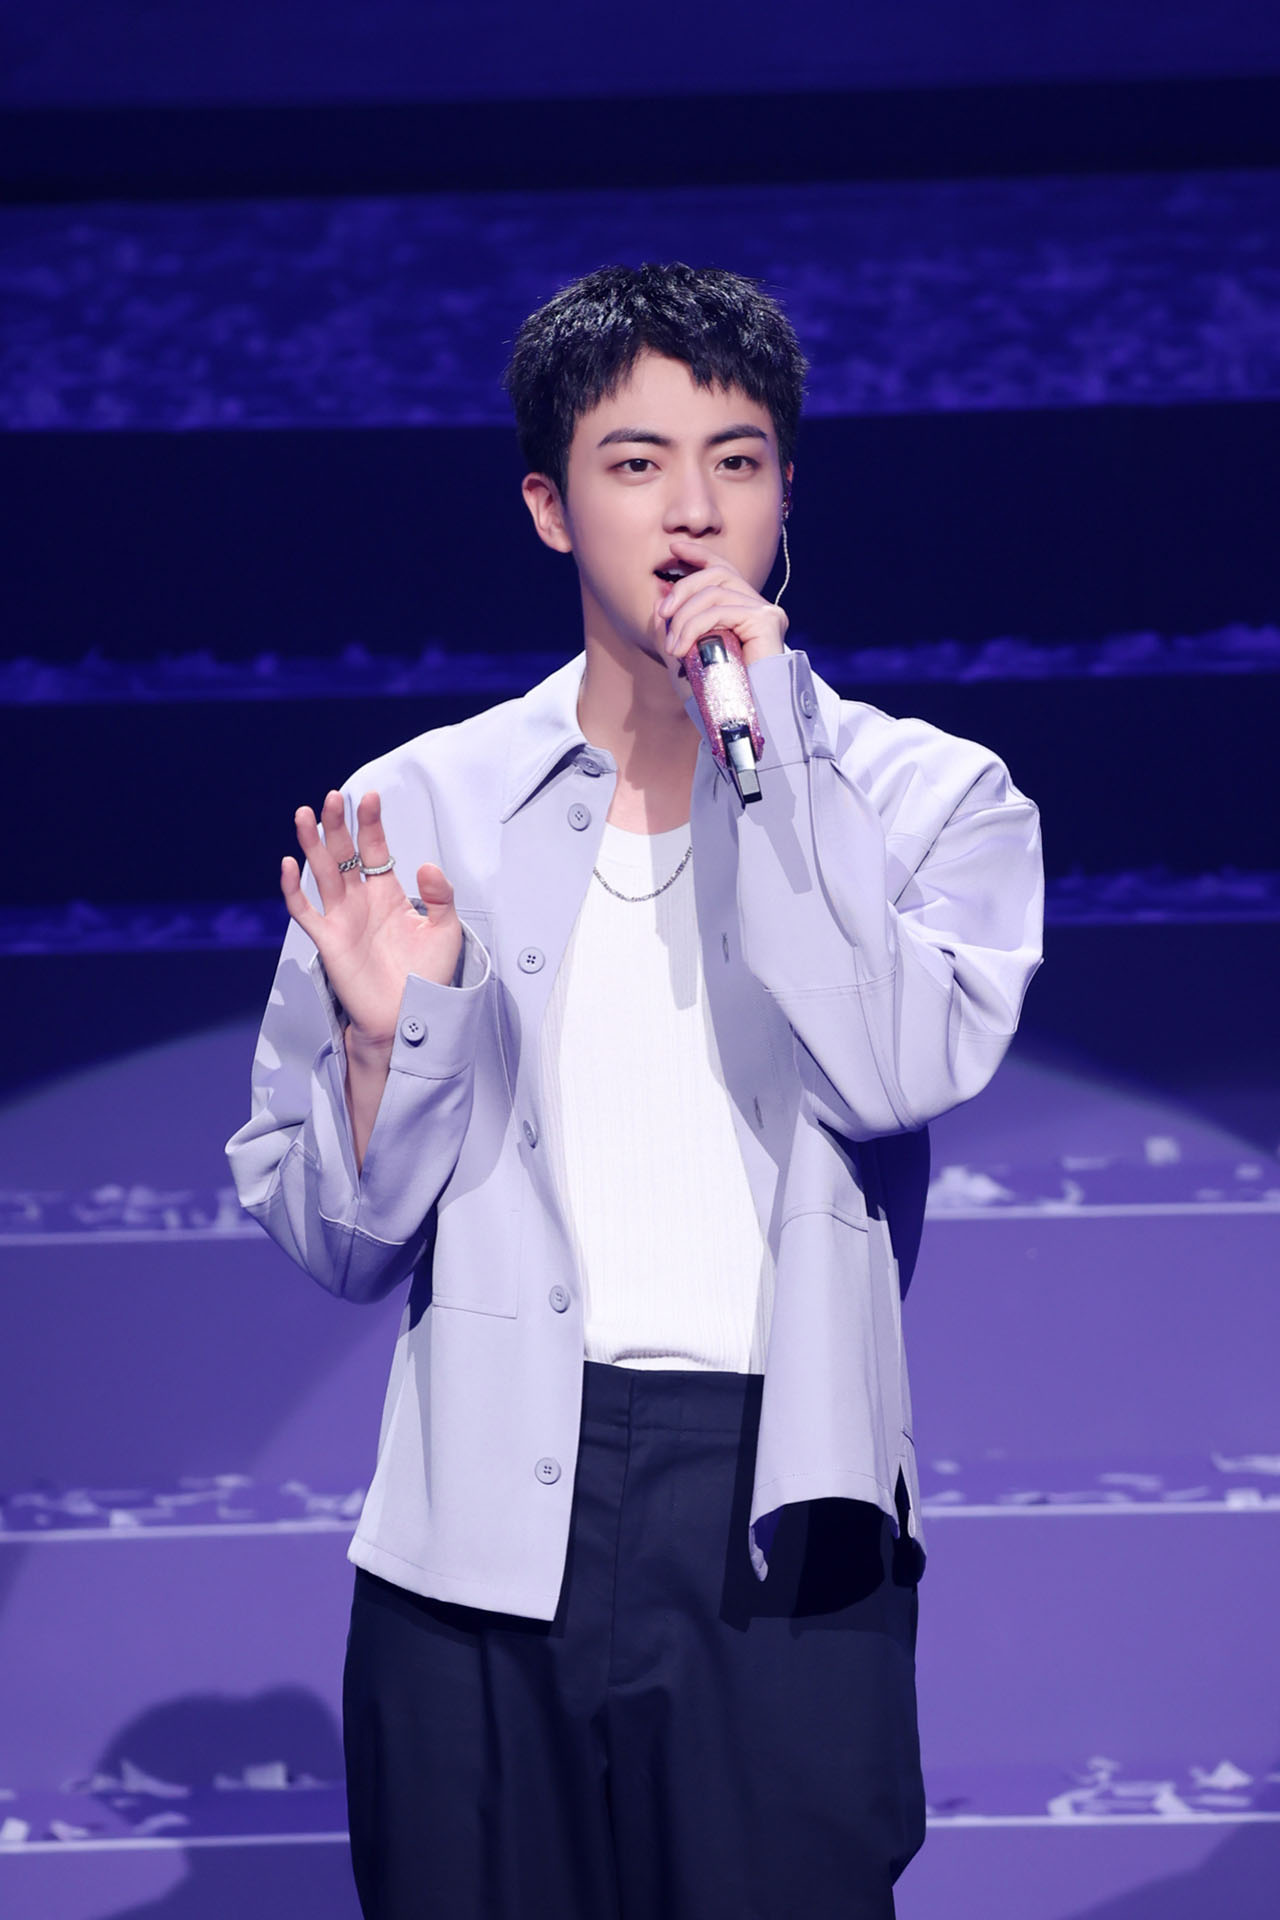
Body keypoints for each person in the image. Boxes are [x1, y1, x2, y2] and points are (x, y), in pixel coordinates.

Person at [225, 262, 1043, 1920]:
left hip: (780, 1510)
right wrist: (384, 1047)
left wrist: (779, 764)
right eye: (636, 462)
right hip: (480, 1521)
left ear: (787, 491)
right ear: (549, 506)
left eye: (736, 461)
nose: (691, 511)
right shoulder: (419, 808)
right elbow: (336, 1241)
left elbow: (893, 1068)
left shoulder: (932, 800)